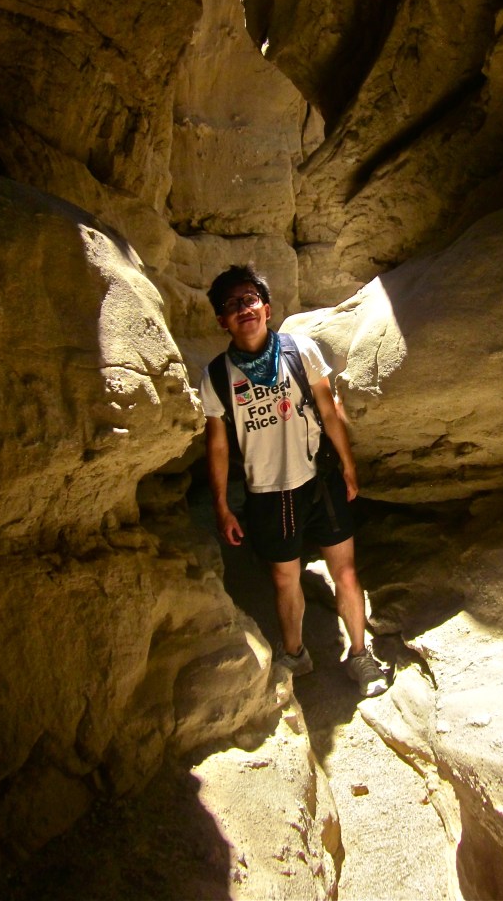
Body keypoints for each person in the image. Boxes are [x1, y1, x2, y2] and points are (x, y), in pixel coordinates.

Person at [199, 263, 388, 698]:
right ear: (222, 320)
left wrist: (348, 465)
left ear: (266, 308)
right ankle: (295, 653)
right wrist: (222, 505)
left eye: (250, 299)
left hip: (319, 479)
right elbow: (218, 446)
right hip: (268, 493)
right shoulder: (217, 376)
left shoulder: (299, 350)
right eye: (233, 304)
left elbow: (328, 409)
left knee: (345, 572)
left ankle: (360, 655)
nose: (244, 308)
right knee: (285, 580)